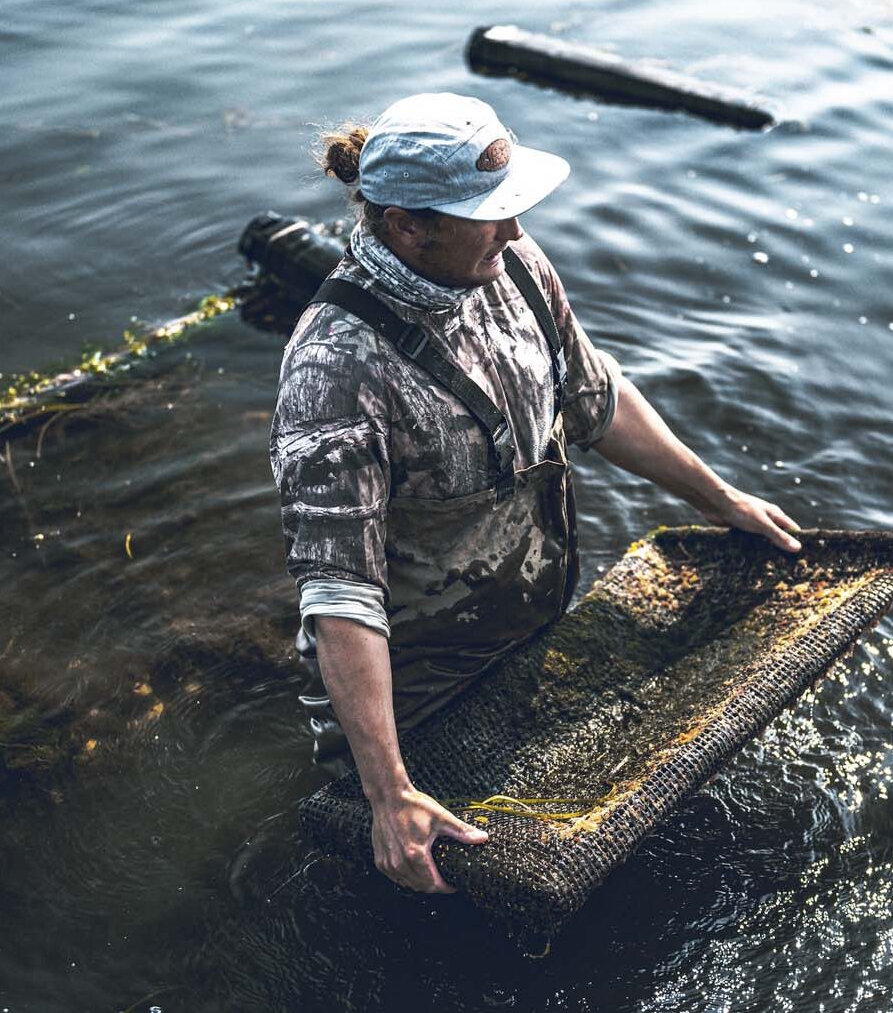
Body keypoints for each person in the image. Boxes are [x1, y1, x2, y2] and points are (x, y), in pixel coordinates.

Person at [270, 92, 801, 897]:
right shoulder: (335, 368)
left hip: (528, 625)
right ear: (410, 226)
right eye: (488, 214)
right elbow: (341, 596)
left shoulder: (508, 262)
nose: (515, 229)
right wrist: (388, 792)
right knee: (424, 901)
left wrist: (719, 499)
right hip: (416, 691)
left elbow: (596, 399)